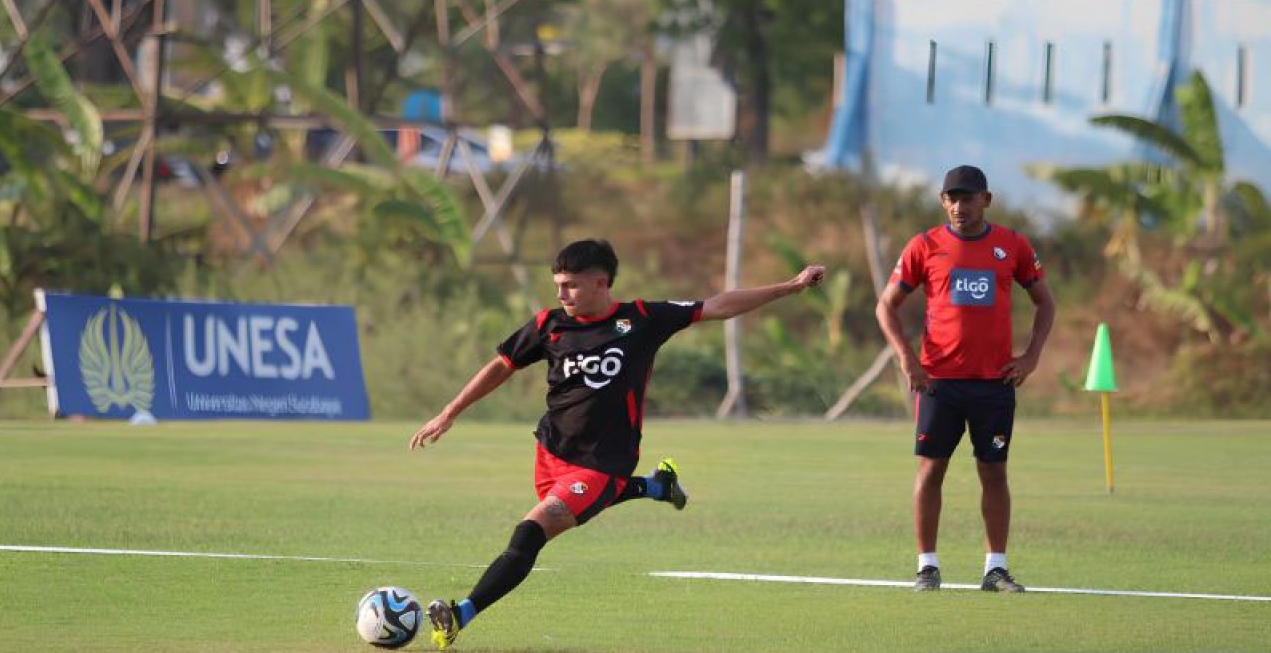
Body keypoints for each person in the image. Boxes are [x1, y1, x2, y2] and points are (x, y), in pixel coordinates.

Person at [410, 238, 825, 649]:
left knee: (529, 533)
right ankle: (656, 486)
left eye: (570, 285)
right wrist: (449, 412)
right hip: (551, 452)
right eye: (558, 285)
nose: (561, 294)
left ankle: (460, 615)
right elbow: (503, 365)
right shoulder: (549, 325)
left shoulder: (643, 318)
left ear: (601, 282)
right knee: (576, 506)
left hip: (603, 461)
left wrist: (791, 286)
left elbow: (718, 306)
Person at [874, 165, 1056, 594]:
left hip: (994, 385)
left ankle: (996, 569)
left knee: (993, 472)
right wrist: (907, 359)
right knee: (930, 469)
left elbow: (1045, 303)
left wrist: (1031, 357)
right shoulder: (925, 246)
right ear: (943, 202)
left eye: (968, 198)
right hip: (938, 383)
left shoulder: (1012, 245)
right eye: (952, 199)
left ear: (986, 200)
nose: (960, 206)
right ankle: (927, 567)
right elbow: (886, 306)